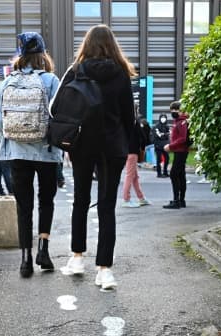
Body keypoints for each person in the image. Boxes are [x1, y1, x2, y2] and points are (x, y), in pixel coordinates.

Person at [57, 24, 136, 291]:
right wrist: (131, 148)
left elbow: (59, 108)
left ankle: (77, 258)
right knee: (106, 206)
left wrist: (66, 144)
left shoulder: (76, 71)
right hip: (113, 146)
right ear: (113, 45)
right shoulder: (121, 73)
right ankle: (104, 271)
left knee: (80, 200)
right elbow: (129, 117)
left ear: (86, 45)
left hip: (81, 144)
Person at [0, 32, 62, 277]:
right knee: (46, 201)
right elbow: (58, 118)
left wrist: (12, 143)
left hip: (17, 153)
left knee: (24, 206)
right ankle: (43, 250)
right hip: (46, 152)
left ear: (21, 54)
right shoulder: (52, 80)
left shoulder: (8, 80)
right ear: (43, 53)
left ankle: (25, 260)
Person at [163, 101, 189, 209]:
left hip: (180, 151)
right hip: (180, 151)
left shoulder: (181, 122)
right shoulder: (178, 121)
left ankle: (176, 200)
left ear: (180, 110)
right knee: (180, 174)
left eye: (175, 110)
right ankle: (181, 200)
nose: (173, 112)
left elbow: (182, 138)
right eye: (172, 110)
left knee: (174, 174)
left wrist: (170, 146)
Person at [121, 116, 151, 208]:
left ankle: (141, 198)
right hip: (133, 151)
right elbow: (143, 136)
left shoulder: (122, 121)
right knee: (130, 175)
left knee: (134, 176)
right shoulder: (135, 122)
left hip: (125, 150)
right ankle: (126, 199)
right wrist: (143, 147)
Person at [152, 113, 170, 178]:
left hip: (165, 146)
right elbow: (158, 135)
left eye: (164, 117)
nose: (163, 119)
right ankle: (159, 173)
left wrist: (164, 134)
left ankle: (165, 172)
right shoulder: (156, 126)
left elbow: (169, 135)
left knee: (167, 158)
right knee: (159, 159)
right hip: (158, 145)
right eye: (162, 117)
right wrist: (165, 134)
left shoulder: (166, 126)